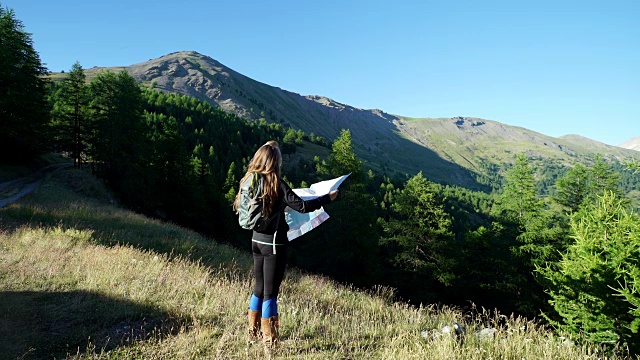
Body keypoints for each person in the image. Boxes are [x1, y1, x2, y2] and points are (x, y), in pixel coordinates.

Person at [233, 140, 338, 354]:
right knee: (271, 294)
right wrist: (328, 198)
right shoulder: (276, 184)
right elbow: (303, 206)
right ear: (276, 162)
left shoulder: (250, 180)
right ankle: (270, 343)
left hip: (256, 240)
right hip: (274, 244)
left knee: (259, 290)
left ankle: (252, 334)